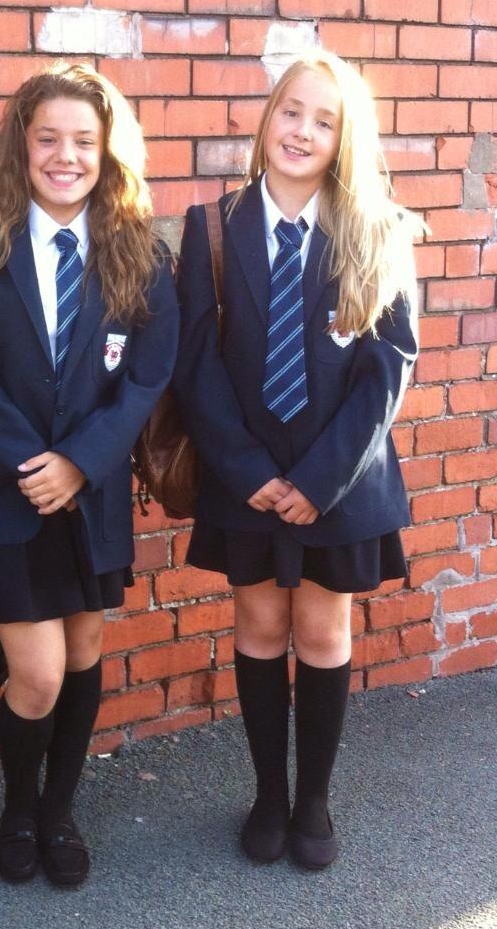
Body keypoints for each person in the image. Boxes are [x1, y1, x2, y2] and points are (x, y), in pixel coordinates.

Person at [0, 62, 178, 886]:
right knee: (34, 675)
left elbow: (148, 372)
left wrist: (81, 460)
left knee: (82, 651)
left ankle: (59, 809)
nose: (65, 156)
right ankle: (17, 805)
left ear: (108, 150)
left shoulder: (139, 244)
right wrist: (34, 464)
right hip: (4, 488)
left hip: (93, 491)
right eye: (48, 139)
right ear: (22, 145)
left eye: (84, 140)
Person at [173, 48, 420, 871]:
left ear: (346, 137)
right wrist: (249, 472)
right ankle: (267, 793)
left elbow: (390, 366)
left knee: (319, 627)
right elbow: (196, 363)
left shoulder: (375, 227)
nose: (302, 130)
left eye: (325, 119)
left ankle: (312, 797)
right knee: (258, 623)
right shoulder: (212, 226)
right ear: (266, 117)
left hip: (337, 481)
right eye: (291, 110)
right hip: (245, 475)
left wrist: (317, 480)